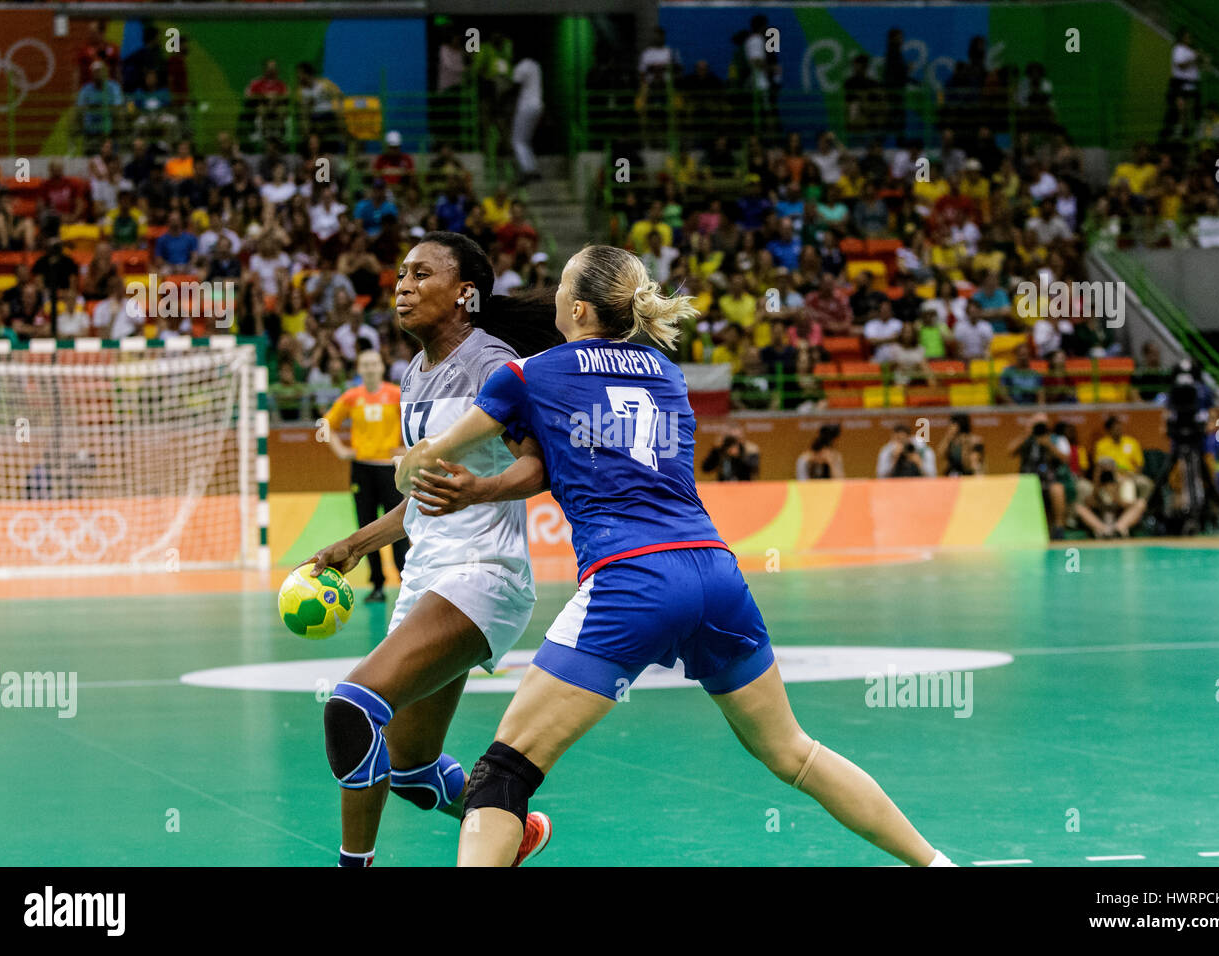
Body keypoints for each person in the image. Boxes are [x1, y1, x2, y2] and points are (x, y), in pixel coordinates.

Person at [398, 244, 954, 867]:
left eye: (558, 285)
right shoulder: (666, 373)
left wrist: (416, 467)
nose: (549, 294)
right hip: (714, 572)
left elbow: (435, 451)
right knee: (792, 751)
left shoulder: (530, 374)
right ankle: (936, 863)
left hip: (629, 580)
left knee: (502, 776)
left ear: (578, 307)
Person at [304, 232, 563, 868]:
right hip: (427, 575)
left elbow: (540, 467)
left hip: (484, 577)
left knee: (350, 708)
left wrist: (483, 490)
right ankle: (520, 830)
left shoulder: (493, 364)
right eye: (400, 274)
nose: (403, 285)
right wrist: (357, 544)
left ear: (465, 294)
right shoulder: (413, 377)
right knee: (414, 769)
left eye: (422, 274)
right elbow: (423, 495)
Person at [319, 350, 409, 603]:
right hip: (362, 469)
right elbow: (325, 424)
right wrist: (341, 450)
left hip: (390, 468)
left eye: (374, 363)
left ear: (382, 367)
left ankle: (407, 582)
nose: (370, 368)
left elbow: (414, 422)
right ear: (359, 369)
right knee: (366, 526)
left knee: (399, 525)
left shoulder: (395, 394)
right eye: (365, 364)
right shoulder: (351, 397)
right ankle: (378, 585)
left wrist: (408, 449)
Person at [510, 55, 543, 186]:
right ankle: (533, 168)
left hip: (526, 106)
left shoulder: (522, 65)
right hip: (538, 105)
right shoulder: (536, 65)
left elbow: (515, 86)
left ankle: (526, 170)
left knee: (517, 141)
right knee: (525, 140)